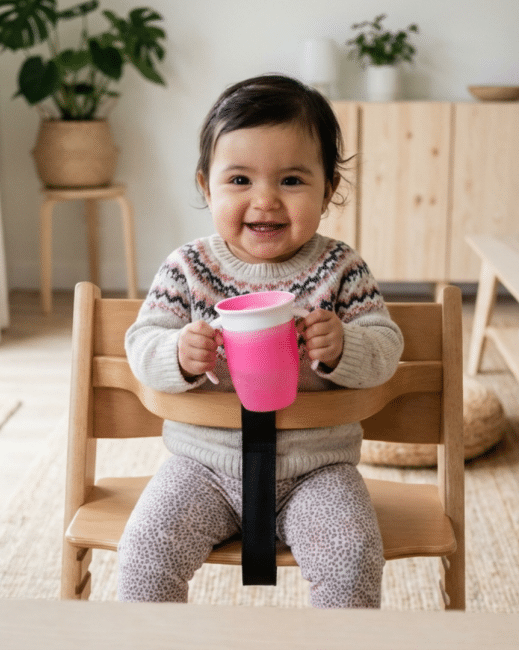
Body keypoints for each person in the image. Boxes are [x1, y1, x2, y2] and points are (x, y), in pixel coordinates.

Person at [118, 74, 404, 608]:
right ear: (207, 187)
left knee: (354, 554)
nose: (266, 200)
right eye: (240, 180)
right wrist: (176, 355)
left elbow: (385, 347)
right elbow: (141, 344)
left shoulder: (340, 268)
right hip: (201, 466)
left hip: (317, 470)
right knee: (144, 551)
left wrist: (344, 348)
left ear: (329, 189)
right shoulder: (188, 268)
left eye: (292, 180)